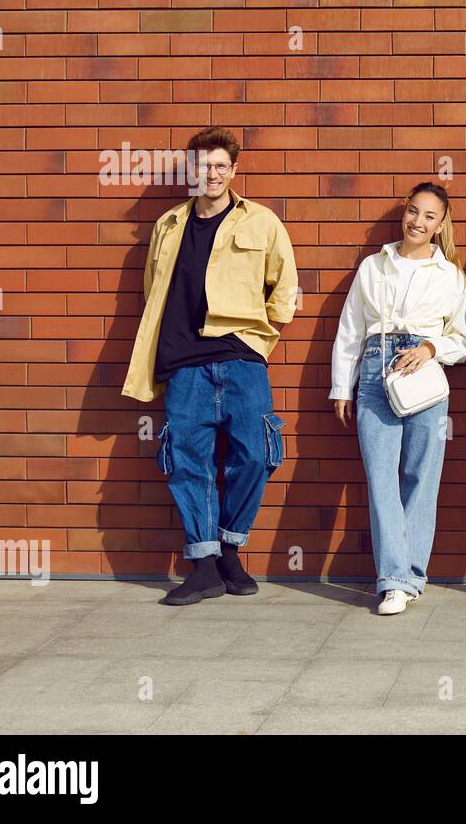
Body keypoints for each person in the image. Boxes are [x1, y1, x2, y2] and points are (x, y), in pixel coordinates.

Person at [122, 126, 298, 606]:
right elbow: (153, 291)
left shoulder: (261, 221)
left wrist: (259, 339)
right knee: (186, 459)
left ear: (233, 170)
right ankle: (203, 567)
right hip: (184, 365)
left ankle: (229, 550)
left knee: (257, 456)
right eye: (203, 165)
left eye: (221, 165)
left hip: (241, 358)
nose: (212, 173)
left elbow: (285, 289)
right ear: (191, 170)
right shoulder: (168, 225)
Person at [330, 182, 466, 615]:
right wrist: (342, 385)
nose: (418, 222)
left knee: (421, 477)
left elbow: (462, 339)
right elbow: (351, 329)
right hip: (375, 371)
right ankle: (393, 580)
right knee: (381, 478)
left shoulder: (450, 274)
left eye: (429, 216)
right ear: (404, 213)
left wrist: (431, 349)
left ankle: (410, 575)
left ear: (441, 224)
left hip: (424, 373)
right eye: (413, 212)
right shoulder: (374, 265)